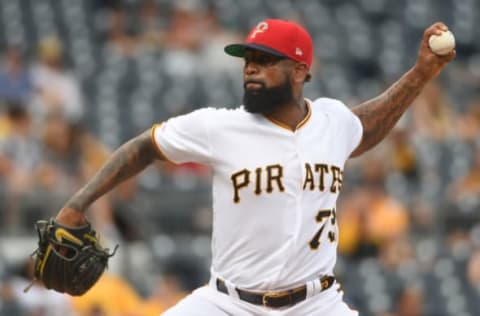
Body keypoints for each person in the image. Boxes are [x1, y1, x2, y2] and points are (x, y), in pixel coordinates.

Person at [54, 19, 454, 315]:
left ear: (300, 72)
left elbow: (365, 127)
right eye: (248, 59)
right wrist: (77, 204)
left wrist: (420, 74)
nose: (251, 67)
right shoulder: (220, 126)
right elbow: (144, 147)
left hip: (316, 304)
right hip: (228, 304)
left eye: (265, 60)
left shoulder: (331, 122)